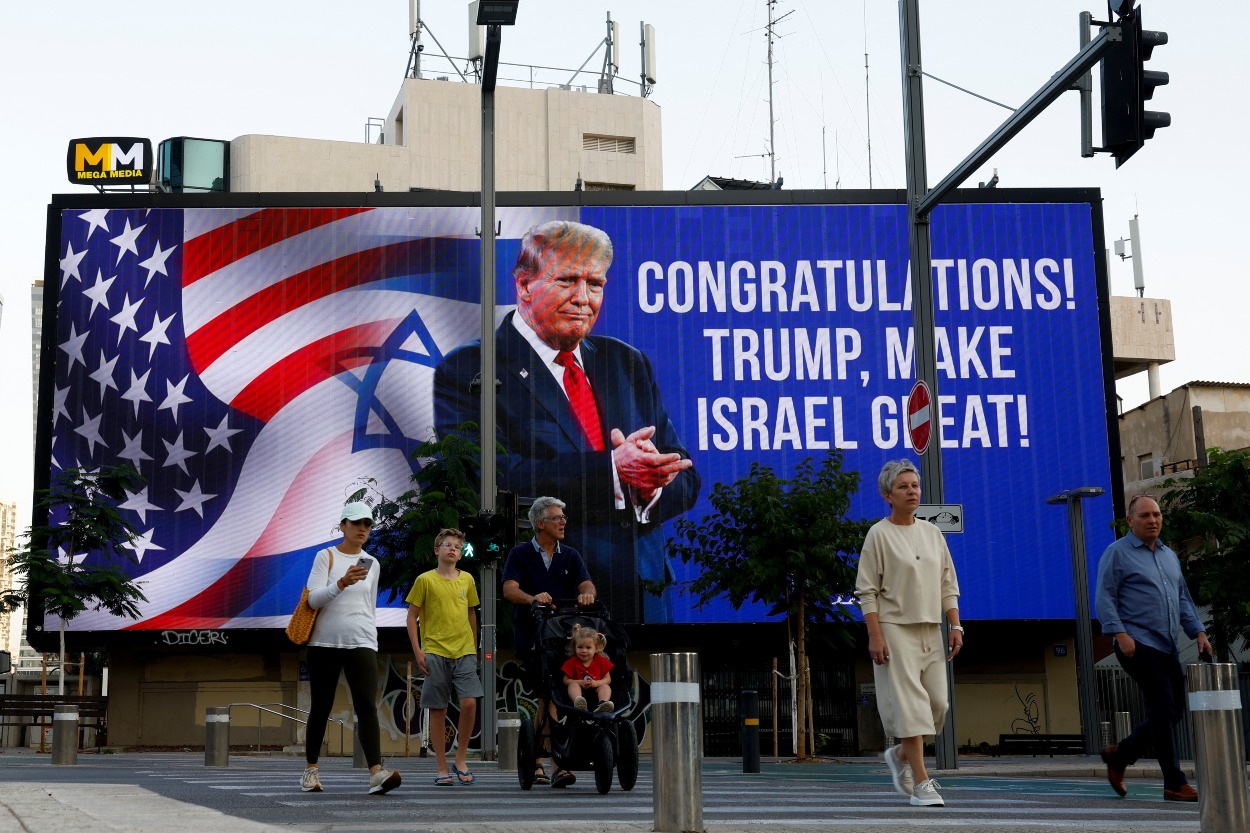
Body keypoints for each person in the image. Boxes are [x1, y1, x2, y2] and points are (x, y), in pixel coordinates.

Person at [434, 219, 700, 623]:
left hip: (643, 600)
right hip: (553, 599)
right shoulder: (471, 368)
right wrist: (612, 472)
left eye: (595, 284)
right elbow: (489, 481)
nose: (583, 298)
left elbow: (683, 470)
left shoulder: (626, 361)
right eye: (567, 281)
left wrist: (650, 486)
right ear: (523, 285)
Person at [854, 459, 962, 808]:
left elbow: (948, 582)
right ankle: (921, 783)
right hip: (894, 628)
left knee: (937, 705)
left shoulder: (932, 533)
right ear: (888, 494)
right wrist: (875, 635)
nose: (912, 491)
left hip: (932, 627)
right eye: (903, 486)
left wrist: (955, 623)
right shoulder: (878, 534)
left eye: (914, 485)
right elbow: (867, 591)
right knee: (911, 708)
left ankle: (900, 753)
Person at [1095, 494, 1210, 803]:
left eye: (1156, 514)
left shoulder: (1169, 556)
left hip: (1166, 643)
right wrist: (1120, 634)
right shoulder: (1116, 553)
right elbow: (1104, 597)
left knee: (1173, 712)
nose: (1152, 520)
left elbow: (1183, 599)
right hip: (1136, 642)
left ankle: (1121, 755)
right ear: (1131, 521)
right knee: (1163, 708)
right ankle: (1174, 782)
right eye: (1145, 515)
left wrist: (1198, 631)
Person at [301, 502, 401, 795]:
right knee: (320, 706)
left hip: (362, 641)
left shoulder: (372, 563)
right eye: (356, 523)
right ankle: (311, 771)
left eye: (367, 524)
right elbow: (312, 600)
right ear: (343, 525)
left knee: (367, 706)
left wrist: (371, 638)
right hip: (324, 642)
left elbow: (368, 607)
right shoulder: (326, 556)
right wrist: (341, 583)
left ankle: (375, 774)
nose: (362, 529)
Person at [502, 495, 597, 788]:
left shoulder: (570, 555)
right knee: (548, 696)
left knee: (555, 697)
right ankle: (547, 763)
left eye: (563, 518)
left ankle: (553, 762)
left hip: (565, 639)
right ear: (540, 523)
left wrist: (587, 594)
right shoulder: (519, 554)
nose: (563, 522)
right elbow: (508, 589)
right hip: (534, 639)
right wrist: (533, 598)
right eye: (557, 518)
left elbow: (586, 583)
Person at [405, 528, 483, 786]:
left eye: (457, 547)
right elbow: (411, 617)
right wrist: (418, 651)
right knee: (437, 708)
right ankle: (441, 766)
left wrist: (474, 645)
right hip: (435, 651)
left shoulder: (468, 580)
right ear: (437, 550)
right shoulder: (425, 580)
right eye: (447, 545)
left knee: (470, 703)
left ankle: (460, 759)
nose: (452, 549)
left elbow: (472, 613)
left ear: (460, 554)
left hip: (464, 650)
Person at [561, 625, 614, 713]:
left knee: (605, 686)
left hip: (596, 690)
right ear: (574, 648)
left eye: (588, 648)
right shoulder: (571, 662)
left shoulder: (601, 661)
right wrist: (579, 682)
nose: (584, 651)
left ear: (596, 648)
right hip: (579, 691)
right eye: (580, 647)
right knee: (572, 685)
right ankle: (578, 703)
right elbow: (565, 680)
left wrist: (596, 683)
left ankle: (603, 703)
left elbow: (608, 679)